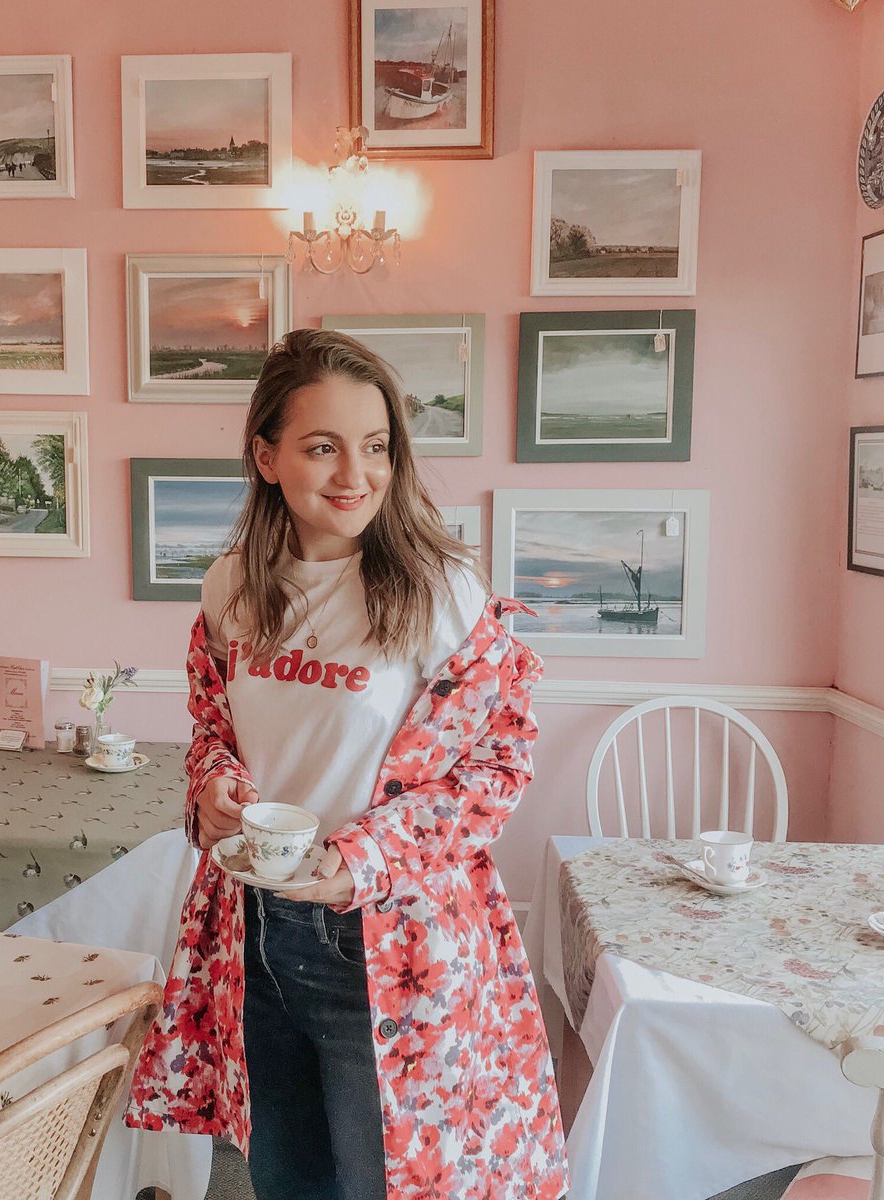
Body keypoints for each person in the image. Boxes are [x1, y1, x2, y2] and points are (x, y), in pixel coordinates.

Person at [126, 329, 567, 1200]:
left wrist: (362, 857)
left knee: (388, 1183)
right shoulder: (230, 588)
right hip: (251, 930)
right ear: (267, 456)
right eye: (322, 447)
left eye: (375, 446)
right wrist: (212, 785)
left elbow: (495, 768)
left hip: (387, 941)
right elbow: (214, 728)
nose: (354, 474)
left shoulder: (443, 592)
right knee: (284, 1180)